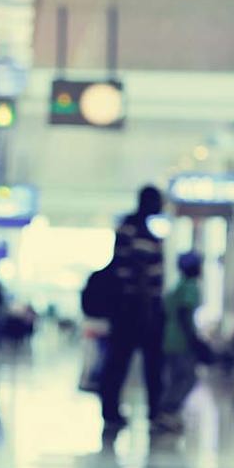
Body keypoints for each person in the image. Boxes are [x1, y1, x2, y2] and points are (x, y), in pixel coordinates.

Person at [86, 185, 168, 431]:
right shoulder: (135, 231)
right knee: (127, 360)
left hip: (138, 307)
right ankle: (116, 410)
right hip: (134, 308)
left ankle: (141, 411)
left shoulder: (134, 229)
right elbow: (138, 273)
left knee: (131, 360)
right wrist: (148, 311)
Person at [156, 252, 209, 430]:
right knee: (186, 378)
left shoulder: (178, 285)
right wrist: (194, 340)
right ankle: (168, 411)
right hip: (181, 341)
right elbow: (184, 313)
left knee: (176, 377)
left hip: (170, 339)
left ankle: (166, 411)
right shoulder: (190, 286)